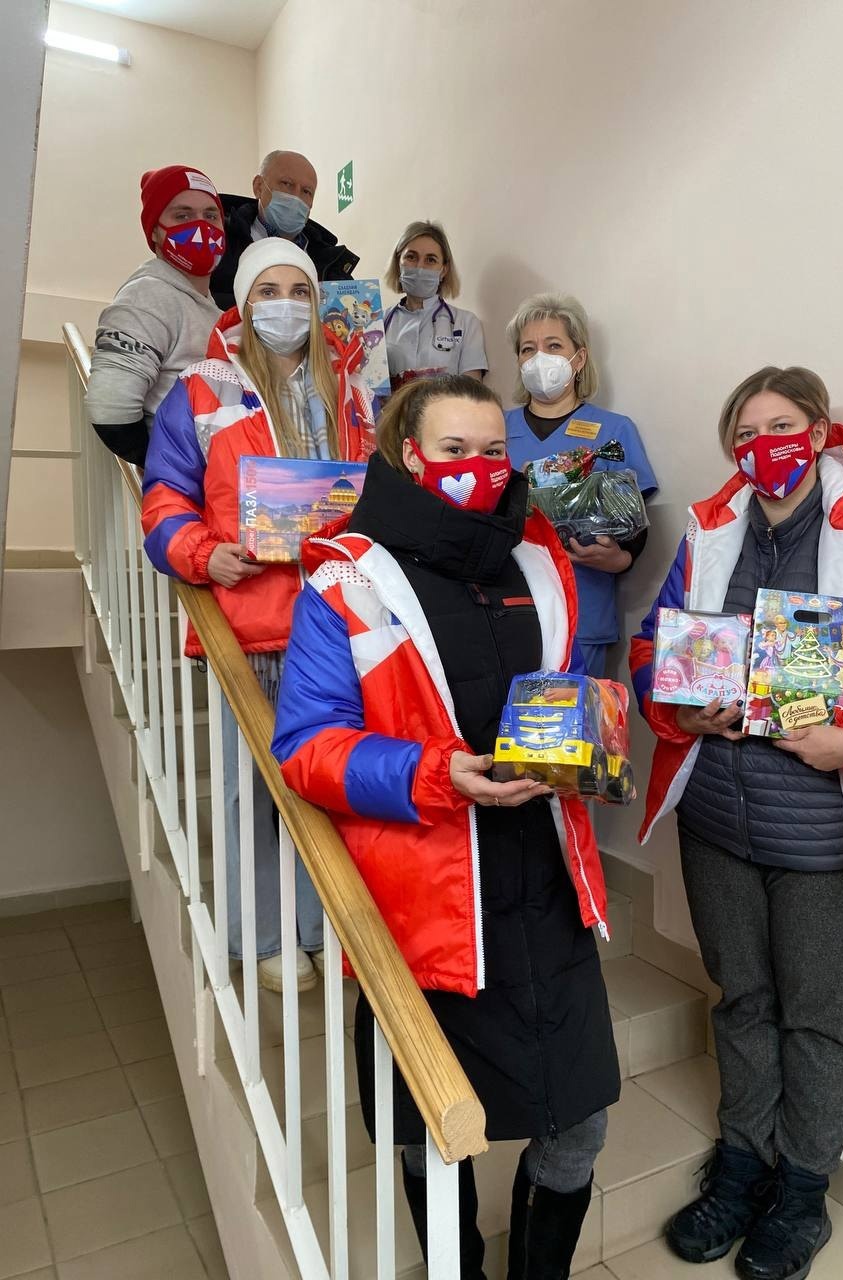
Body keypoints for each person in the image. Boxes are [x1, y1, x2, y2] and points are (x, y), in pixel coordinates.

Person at [271, 374, 621, 1279]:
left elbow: (560, 691)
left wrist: (591, 739)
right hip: (428, 910)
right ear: (407, 455)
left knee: (579, 1122)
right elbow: (307, 748)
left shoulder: (541, 555)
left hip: (549, 885)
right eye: (453, 450)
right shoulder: (347, 574)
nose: (477, 467)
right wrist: (436, 775)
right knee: (434, 1131)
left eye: (493, 450)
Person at [630, 366, 843, 1280]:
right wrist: (677, 704)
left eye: (780, 426)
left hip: (832, 838)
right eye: (744, 432)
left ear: (817, 432)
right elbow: (656, 643)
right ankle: (742, 1164)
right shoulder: (711, 531)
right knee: (741, 1001)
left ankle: (802, 1193)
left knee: (821, 1024)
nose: (761, 446)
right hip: (718, 823)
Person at [141, 237, 346, 994]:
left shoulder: (348, 388)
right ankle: (262, 938)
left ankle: (324, 924)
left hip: (336, 625)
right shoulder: (203, 389)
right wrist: (203, 555)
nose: (285, 306)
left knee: (327, 782)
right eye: (268, 291)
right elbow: (163, 498)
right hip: (251, 624)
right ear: (243, 301)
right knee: (249, 789)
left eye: (299, 291)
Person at [504, 294, 658, 678]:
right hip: (506, 610)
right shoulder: (494, 428)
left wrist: (620, 559)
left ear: (579, 358)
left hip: (583, 614)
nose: (539, 358)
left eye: (553, 346)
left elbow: (635, 523)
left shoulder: (613, 430)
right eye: (528, 349)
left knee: (578, 715)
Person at [86, 165, 225, 467]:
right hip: (190, 483)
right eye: (183, 216)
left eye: (211, 215)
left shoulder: (206, 306)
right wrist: (169, 470)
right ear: (155, 232)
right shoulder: (148, 295)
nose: (201, 227)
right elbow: (110, 409)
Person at [211, 149, 358, 309]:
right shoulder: (218, 245)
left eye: (306, 191)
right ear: (259, 187)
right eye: (287, 184)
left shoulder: (332, 265)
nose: (296, 197)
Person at [383, 220, 487, 390]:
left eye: (430, 260)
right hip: (392, 408)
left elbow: (472, 392)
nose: (419, 267)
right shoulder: (379, 322)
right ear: (398, 262)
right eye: (411, 257)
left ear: (443, 270)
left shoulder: (466, 323)